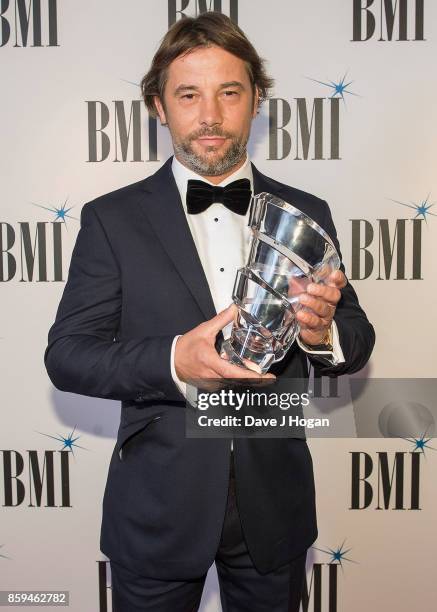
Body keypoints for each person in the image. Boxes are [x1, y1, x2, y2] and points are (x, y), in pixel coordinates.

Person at [44, 12, 375, 612]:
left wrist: (323, 333)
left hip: (274, 505)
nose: (211, 116)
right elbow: (68, 355)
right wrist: (175, 361)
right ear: (158, 107)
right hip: (157, 509)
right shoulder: (111, 219)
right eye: (188, 95)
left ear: (256, 101)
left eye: (230, 92)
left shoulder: (307, 210)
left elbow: (357, 333)